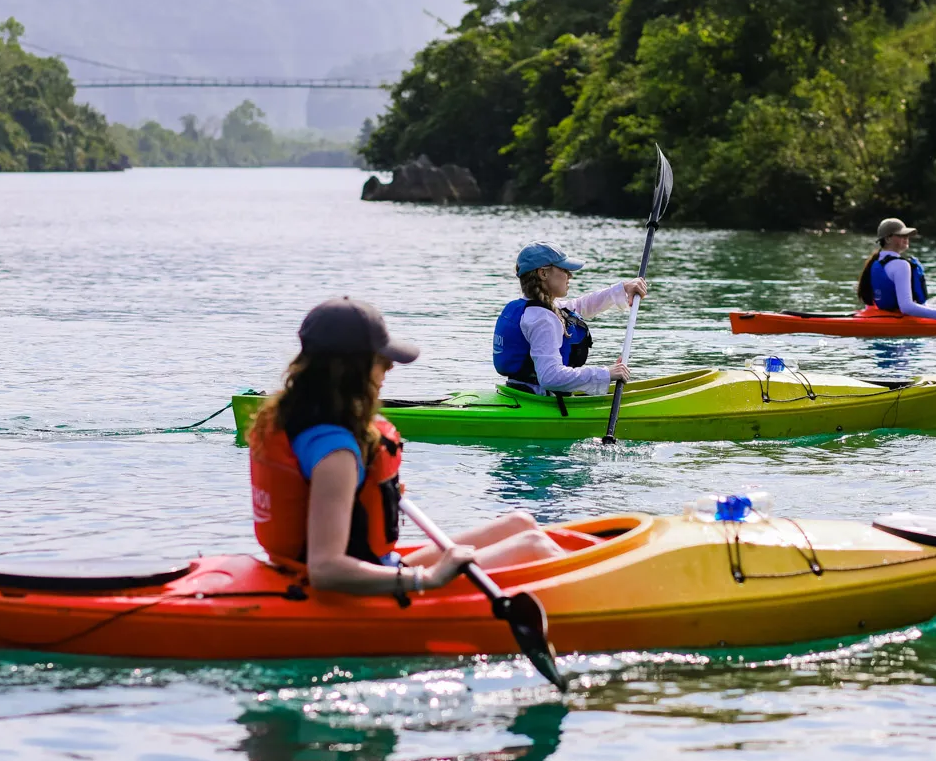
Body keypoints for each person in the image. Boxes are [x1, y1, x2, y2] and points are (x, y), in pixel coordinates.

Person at [249, 297, 563, 600]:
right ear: (351, 369)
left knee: (521, 523)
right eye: (381, 359)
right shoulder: (335, 454)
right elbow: (325, 569)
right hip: (359, 590)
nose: (390, 368)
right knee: (536, 546)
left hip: (375, 567)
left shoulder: (298, 415)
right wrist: (427, 578)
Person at [492, 242, 648, 396]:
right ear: (543, 273)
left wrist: (622, 288)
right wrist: (606, 373)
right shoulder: (542, 319)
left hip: (521, 391)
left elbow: (580, 305)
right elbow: (550, 377)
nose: (570, 275)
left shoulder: (530, 309)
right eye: (564, 269)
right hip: (543, 400)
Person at [856, 218, 936, 319]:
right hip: (906, 316)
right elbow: (907, 307)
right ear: (888, 238)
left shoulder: (875, 262)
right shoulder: (901, 265)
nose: (906, 238)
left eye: (907, 235)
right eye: (901, 235)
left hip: (890, 314)